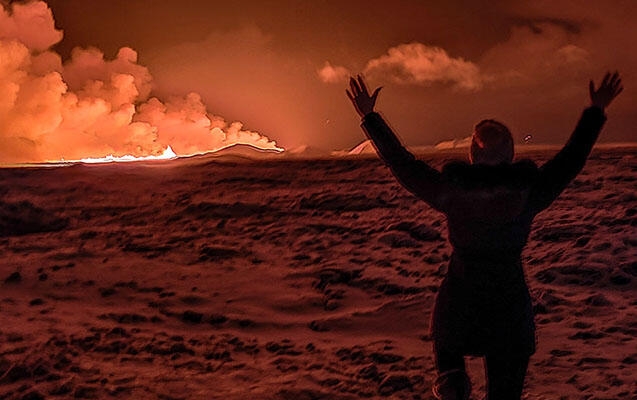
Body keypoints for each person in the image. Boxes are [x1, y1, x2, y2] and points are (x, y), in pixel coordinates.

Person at [346, 72, 623, 399]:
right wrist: (596, 111)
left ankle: (451, 385)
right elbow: (570, 160)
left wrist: (369, 116)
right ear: (510, 155)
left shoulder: (451, 191)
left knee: (451, 379)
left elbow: (401, 163)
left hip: (459, 304)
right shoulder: (527, 192)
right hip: (509, 308)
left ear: (472, 156)